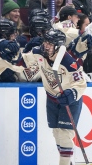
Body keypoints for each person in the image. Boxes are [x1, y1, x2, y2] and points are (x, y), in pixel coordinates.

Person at [27, 28, 87, 165]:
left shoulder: (68, 61)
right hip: (52, 99)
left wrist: (71, 94)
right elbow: (24, 61)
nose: (46, 46)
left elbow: (81, 83)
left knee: (65, 135)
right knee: (57, 134)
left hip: (69, 101)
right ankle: (68, 162)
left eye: (50, 43)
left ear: (58, 45)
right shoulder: (38, 52)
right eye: (45, 42)